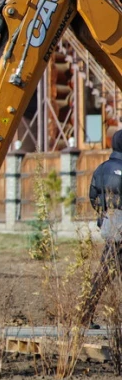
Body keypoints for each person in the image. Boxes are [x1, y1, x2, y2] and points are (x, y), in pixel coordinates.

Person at [83, 130, 122, 325]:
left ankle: (84, 317)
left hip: (111, 227)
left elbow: (93, 196)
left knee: (103, 276)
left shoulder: (102, 168)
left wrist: (105, 217)